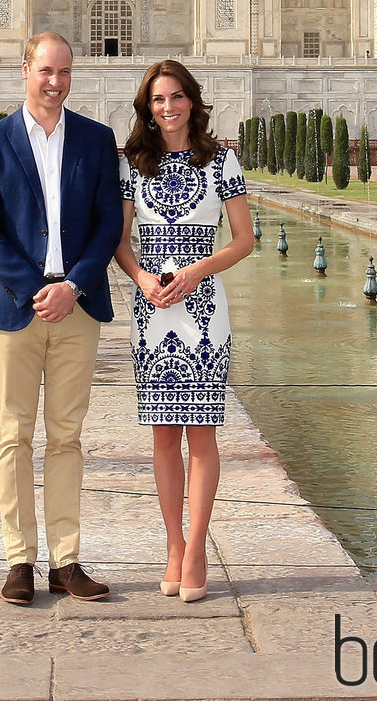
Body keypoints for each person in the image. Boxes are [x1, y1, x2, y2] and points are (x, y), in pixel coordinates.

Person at [0, 32, 123, 606]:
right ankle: (18, 560)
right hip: (16, 306)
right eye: (45, 71)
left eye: (63, 72)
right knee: (13, 434)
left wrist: (73, 284)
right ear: (25, 69)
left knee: (67, 436)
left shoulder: (96, 140)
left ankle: (66, 560)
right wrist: (39, 290)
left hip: (78, 304)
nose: (54, 82)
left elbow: (109, 224)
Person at [114, 60, 253, 603]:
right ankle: (173, 545)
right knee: (163, 436)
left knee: (201, 433)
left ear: (192, 101)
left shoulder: (222, 161)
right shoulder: (134, 165)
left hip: (202, 310)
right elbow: (120, 241)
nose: (167, 107)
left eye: (175, 97)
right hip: (153, 310)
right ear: (147, 109)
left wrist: (195, 271)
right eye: (157, 100)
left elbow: (243, 240)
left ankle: (195, 549)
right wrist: (142, 275)